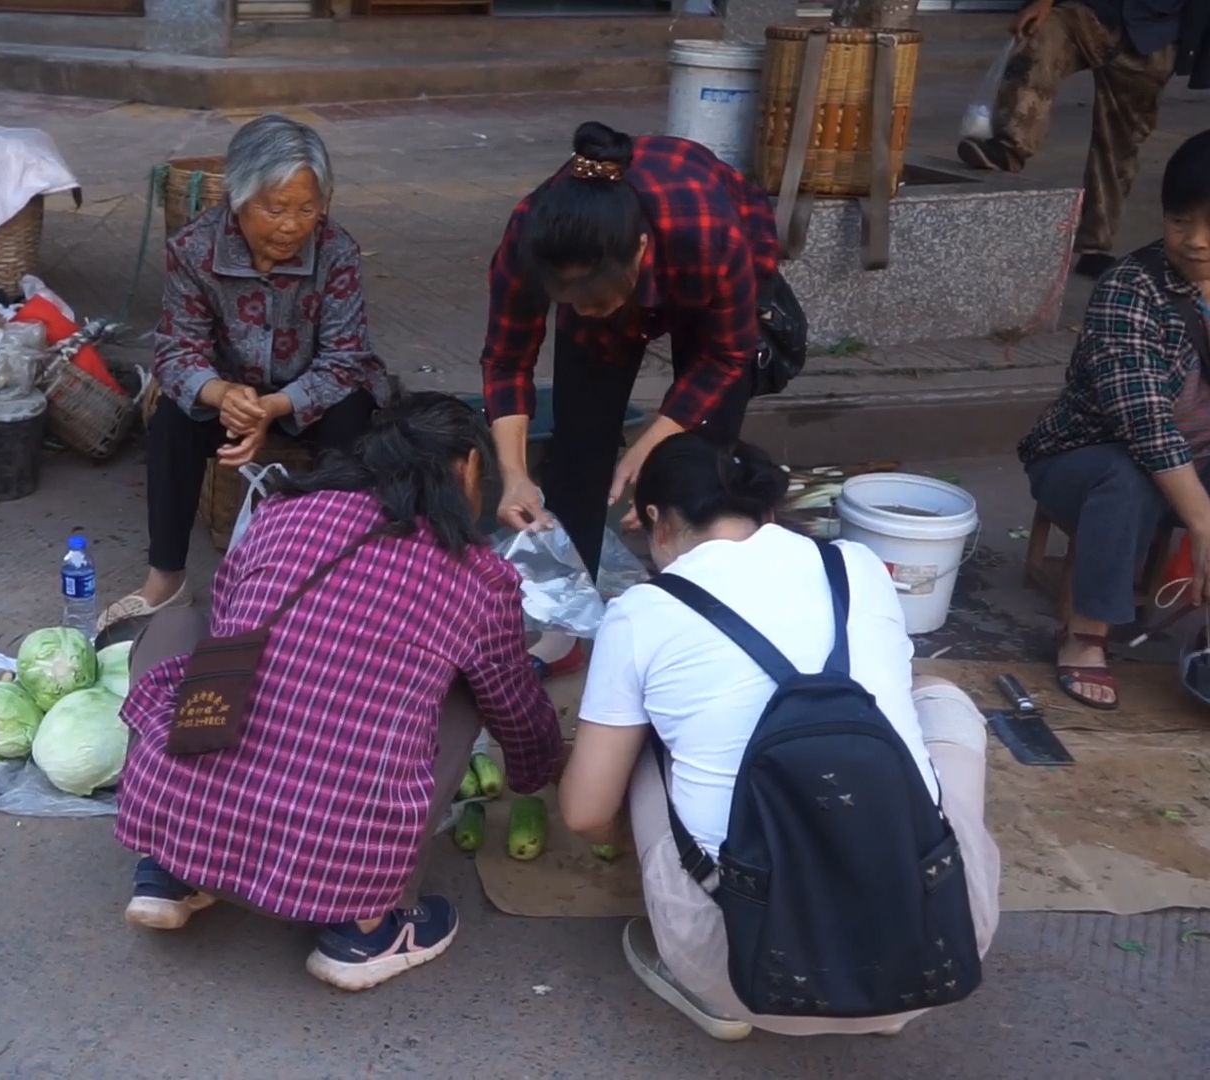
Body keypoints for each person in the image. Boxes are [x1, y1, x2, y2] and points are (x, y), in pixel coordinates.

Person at [114, 392, 564, 992]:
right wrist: (541, 772)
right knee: (462, 693)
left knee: (180, 626)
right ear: (468, 470)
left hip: (195, 787)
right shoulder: (479, 577)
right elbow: (511, 704)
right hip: (338, 845)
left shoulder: (282, 513)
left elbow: (228, 631)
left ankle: (170, 867)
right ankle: (365, 928)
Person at [558, 432, 1000, 1039]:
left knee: (636, 745)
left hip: (743, 972)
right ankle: (882, 1003)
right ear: (768, 508)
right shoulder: (857, 565)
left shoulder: (641, 612)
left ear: (657, 520)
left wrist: (634, 837)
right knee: (941, 702)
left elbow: (585, 814)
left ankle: (699, 984)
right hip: (939, 946)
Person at [98, 114, 391, 634]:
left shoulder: (337, 252)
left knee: (357, 413)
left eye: (307, 208)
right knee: (172, 418)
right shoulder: (194, 251)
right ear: (239, 197)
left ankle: (335, 571)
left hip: (309, 397)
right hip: (230, 395)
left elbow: (345, 359)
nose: (291, 225)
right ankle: (165, 578)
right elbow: (176, 352)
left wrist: (276, 406)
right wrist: (222, 392)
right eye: (275, 208)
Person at [479, 122, 782, 583]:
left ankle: (709, 584)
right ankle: (570, 612)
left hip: (698, 257)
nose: (584, 311)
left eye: (596, 302)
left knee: (699, 457)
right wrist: (515, 475)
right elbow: (506, 361)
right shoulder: (529, 242)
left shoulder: (706, 235)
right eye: (570, 303)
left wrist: (651, 445)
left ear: (640, 251)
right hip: (620, 266)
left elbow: (725, 356)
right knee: (578, 448)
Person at [1019, 130, 1210, 710]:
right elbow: (1145, 424)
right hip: (1083, 457)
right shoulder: (1129, 291)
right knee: (1127, 474)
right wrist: (1202, 521)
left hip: (1197, 458)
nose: (1197, 242)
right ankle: (1085, 635)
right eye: (1181, 222)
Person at [957, 0, 1189, 279]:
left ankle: (1095, 246)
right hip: (1091, 13)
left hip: (1154, 34)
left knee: (1120, 143)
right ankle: (1010, 147)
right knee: (1046, 35)